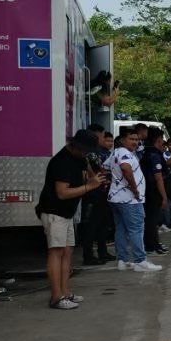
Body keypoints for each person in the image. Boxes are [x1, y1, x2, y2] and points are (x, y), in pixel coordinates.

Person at [36, 129, 105, 310]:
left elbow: (90, 175)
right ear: (75, 145)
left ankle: (66, 292)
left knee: (67, 252)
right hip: (54, 211)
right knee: (56, 251)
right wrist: (90, 186)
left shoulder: (81, 158)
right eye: (84, 150)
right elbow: (62, 193)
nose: (86, 154)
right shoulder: (62, 162)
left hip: (67, 213)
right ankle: (56, 297)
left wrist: (94, 175)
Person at [108, 129, 160, 273]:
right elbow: (125, 168)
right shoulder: (124, 153)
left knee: (121, 229)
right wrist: (134, 188)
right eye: (131, 139)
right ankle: (140, 261)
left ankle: (123, 260)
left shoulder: (115, 152)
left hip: (117, 198)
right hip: (129, 199)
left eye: (137, 139)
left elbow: (104, 168)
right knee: (136, 229)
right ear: (122, 140)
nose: (135, 142)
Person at [78, 124, 113, 266]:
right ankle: (88, 255)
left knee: (103, 224)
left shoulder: (101, 151)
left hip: (103, 192)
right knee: (92, 225)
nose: (102, 139)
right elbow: (100, 170)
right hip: (93, 193)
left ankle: (102, 251)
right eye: (101, 136)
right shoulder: (90, 152)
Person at [141, 127, 169, 254]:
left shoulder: (146, 153)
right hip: (153, 191)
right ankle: (151, 245)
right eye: (162, 139)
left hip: (147, 190)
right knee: (152, 220)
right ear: (157, 140)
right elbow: (158, 178)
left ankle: (154, 243)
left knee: (151, 219)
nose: (163, 142)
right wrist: (164, 196)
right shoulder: (154, 155)